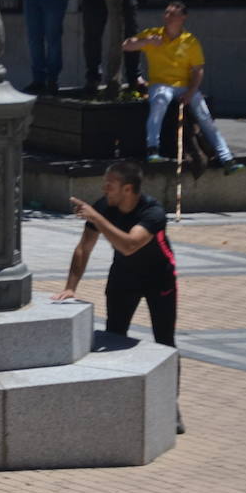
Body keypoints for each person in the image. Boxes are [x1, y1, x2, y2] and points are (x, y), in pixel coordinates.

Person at [52, 160, 186, 433]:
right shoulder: (104, 207)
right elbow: (83, 248)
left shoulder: (153, 212)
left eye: (109, 185)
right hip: (124, 279)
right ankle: (117, 406)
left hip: (159, 279)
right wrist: (71, 286)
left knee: (165, 342)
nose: (104, 189)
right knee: (114, 337)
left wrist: (96, 218)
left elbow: (129, 245)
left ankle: (170, 406)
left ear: (127, 189)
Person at [124, 1, 241, 174]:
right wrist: (145, 41)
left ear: (183, 18)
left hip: (185, 86)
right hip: (161, 84)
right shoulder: (154, 35)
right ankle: (153, 148)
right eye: (166, 13)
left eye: (172, 14)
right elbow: (126, 45)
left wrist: (191, 92)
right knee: (159, 102)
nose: (167, 17)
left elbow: (198, 70)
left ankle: (226, 158)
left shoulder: (190, 41)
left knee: (204, 115)